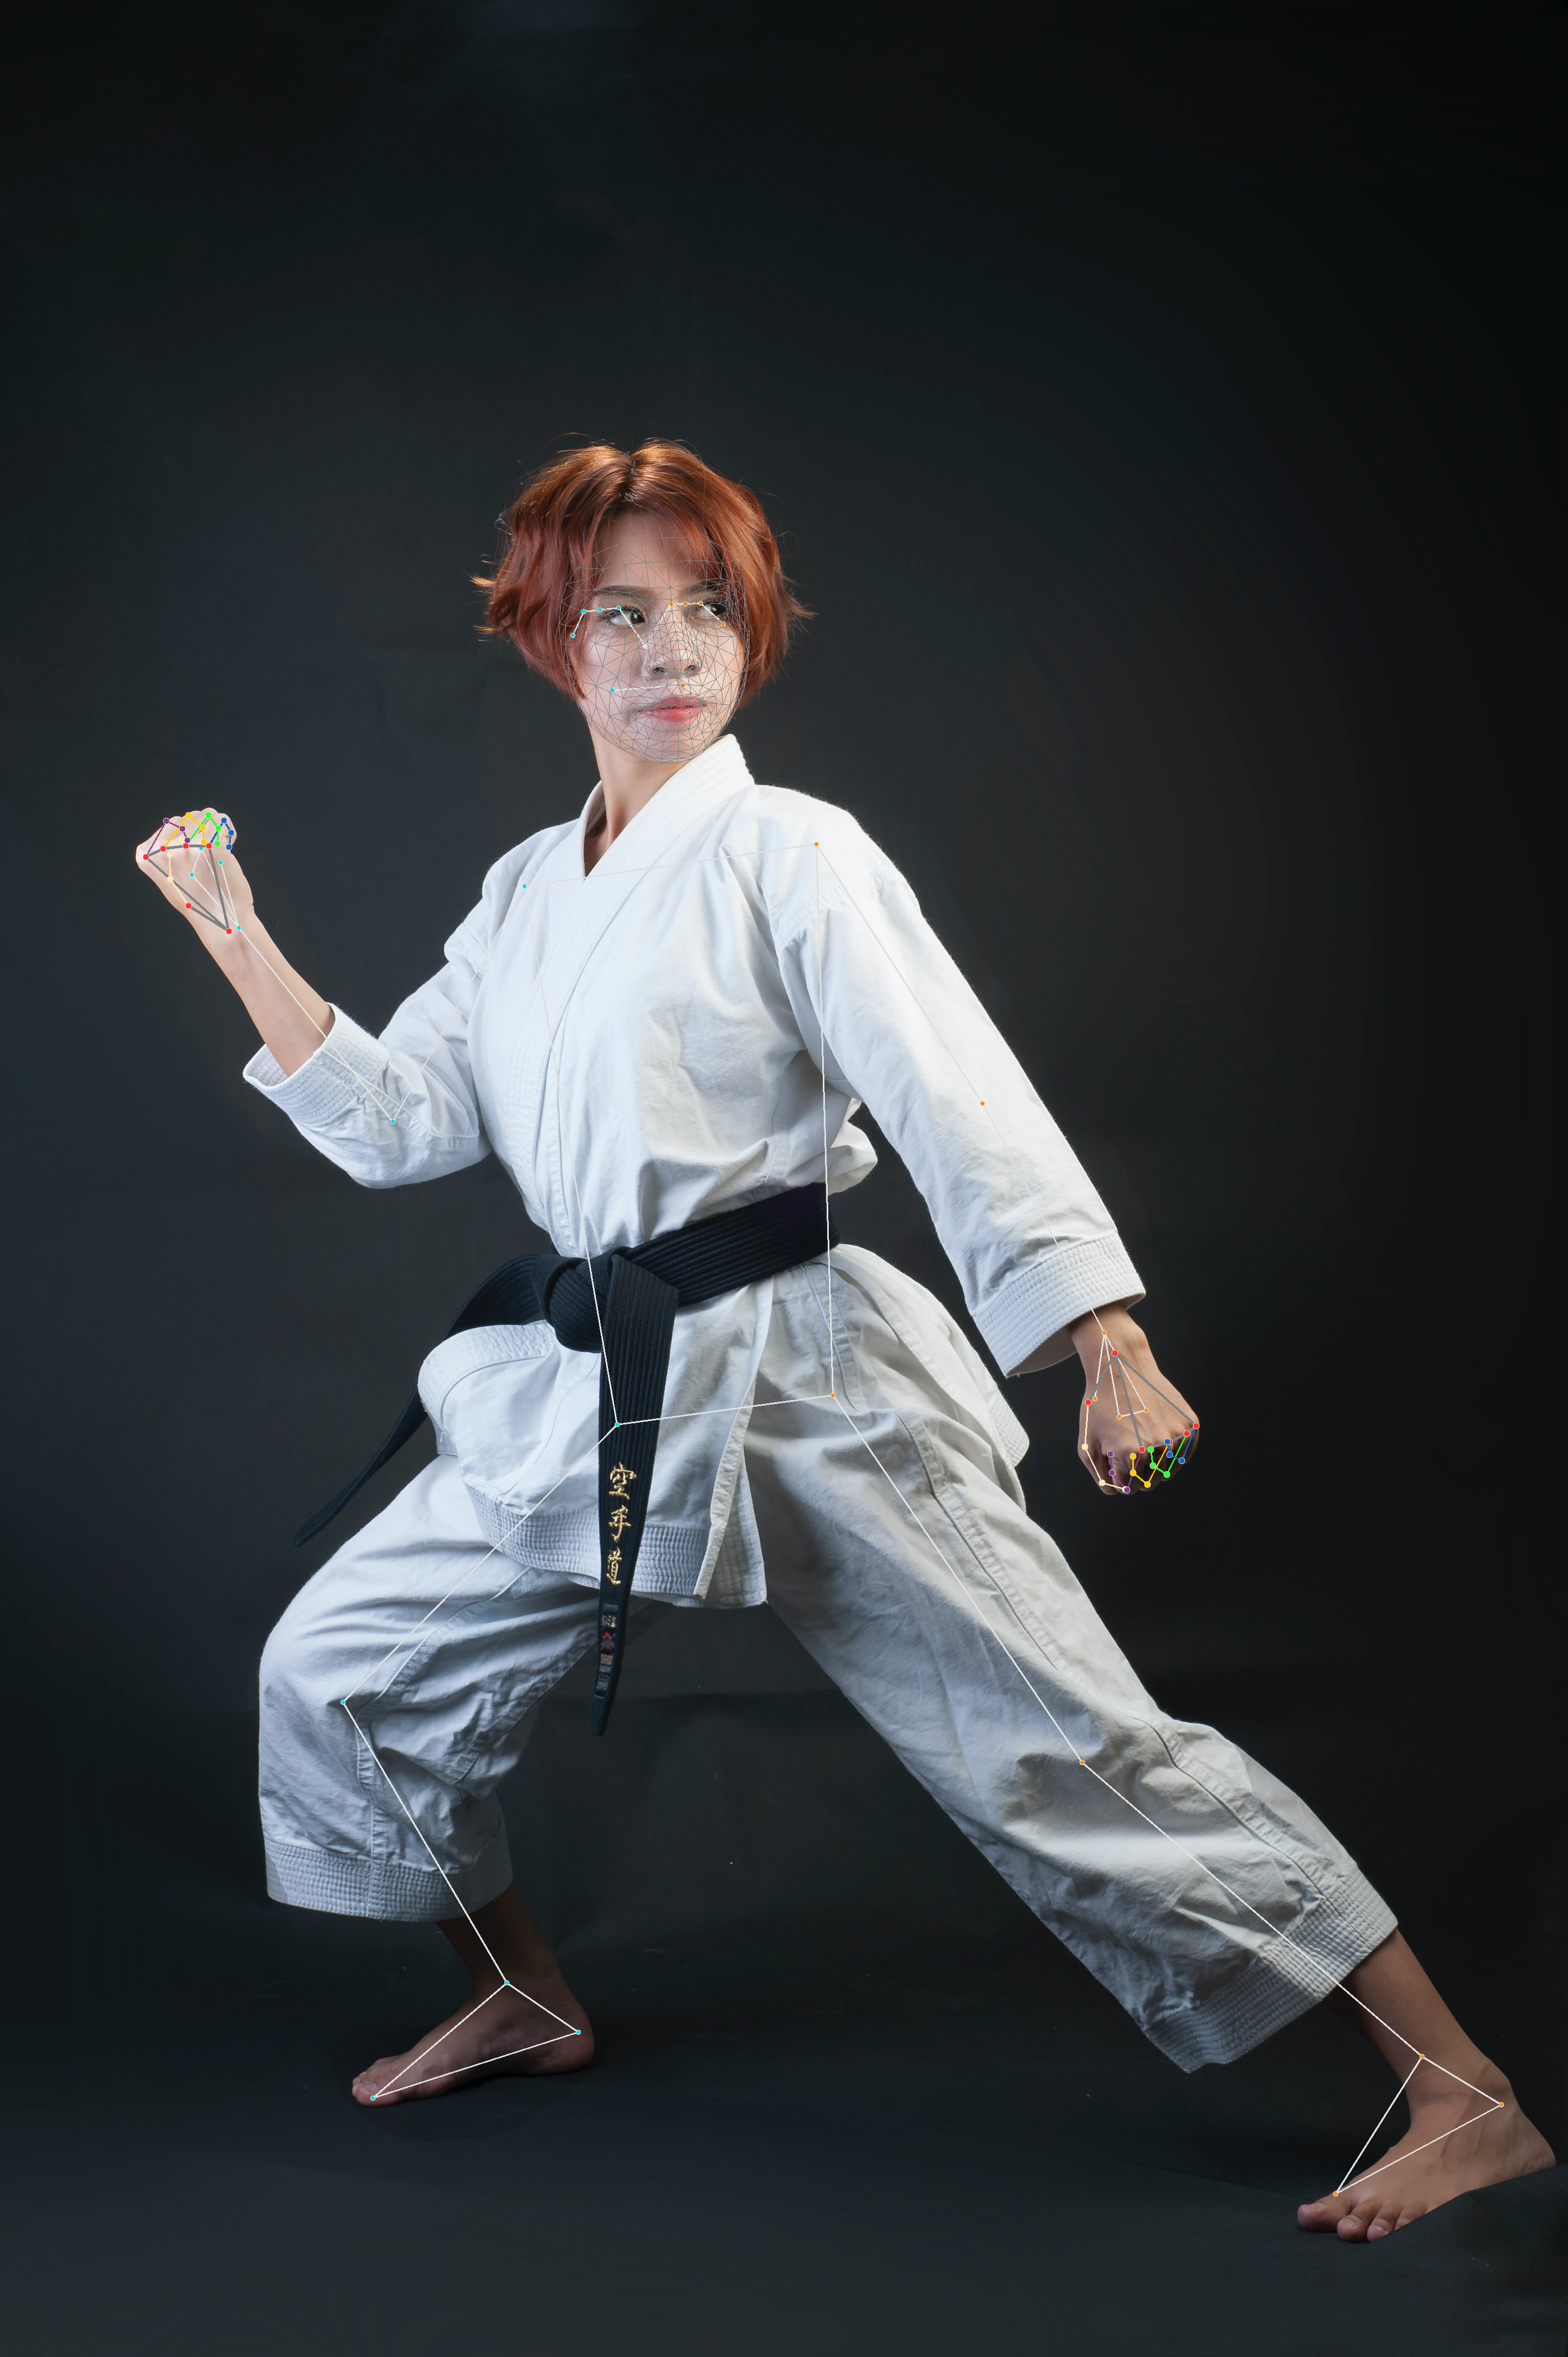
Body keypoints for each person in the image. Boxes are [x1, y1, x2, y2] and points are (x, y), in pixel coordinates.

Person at [136, 440, 1550, 2240]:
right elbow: (402, 1121)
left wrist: (1105, 1340)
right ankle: (522, 1994)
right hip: (598, 1384)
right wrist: (236, 933)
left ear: (750, 633)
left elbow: (955, 1093)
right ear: (552, 643)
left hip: (806, 1376)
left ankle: (1464, 2091)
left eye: (708, 607)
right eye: (622, 615)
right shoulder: (526, 891)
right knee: (343, 1668)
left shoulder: (792, 849)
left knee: (1066, 1749)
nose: (673, 648)